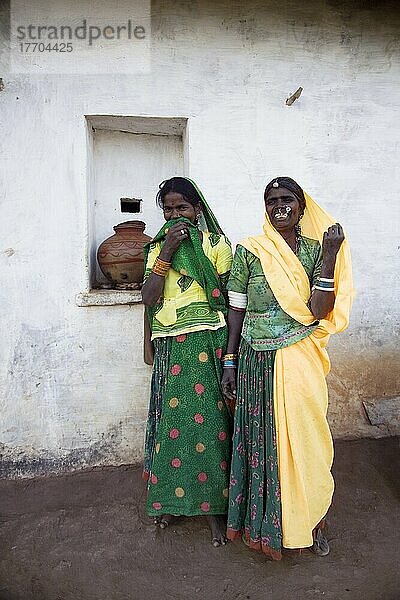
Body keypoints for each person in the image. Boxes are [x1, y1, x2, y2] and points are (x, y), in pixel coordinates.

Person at [221, 176, 353, 560]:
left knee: (308, 441)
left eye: (287, 199)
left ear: (301, 206)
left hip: (299, 357)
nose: (279, 205)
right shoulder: (250, 251)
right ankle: (269, 525)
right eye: (271, 199)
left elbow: (319, 311)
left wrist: (329, 255)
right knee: (263, 444)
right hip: (255, 360)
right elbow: (236, 309)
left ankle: (313, 522)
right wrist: (230, 361)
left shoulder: (317, 250)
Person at [141, 177, 233, 547]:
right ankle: (171, 501)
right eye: (168, 209)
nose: (175, 215)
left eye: (182, 208)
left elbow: (228, 299)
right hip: (171, 348)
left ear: (198, 210)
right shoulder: (156, 247)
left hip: (208, 345)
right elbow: (149, 297)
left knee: (210, 426)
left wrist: (230, 356)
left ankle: (213, 508)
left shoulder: (216, 245)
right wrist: (166, 254)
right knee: (172, 425)